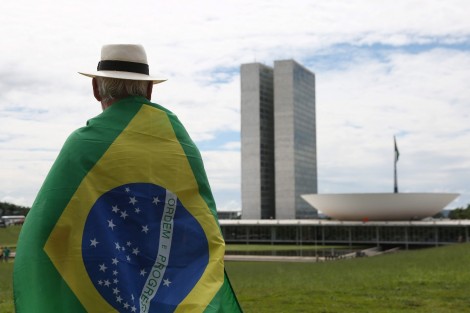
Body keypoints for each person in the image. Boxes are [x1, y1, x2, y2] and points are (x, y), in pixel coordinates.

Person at [14, 44, 241, 313]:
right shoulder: (183, 147)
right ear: (149, 89)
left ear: (96, 89)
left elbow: (45, 230)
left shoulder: (82, 146)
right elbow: (203, 231)